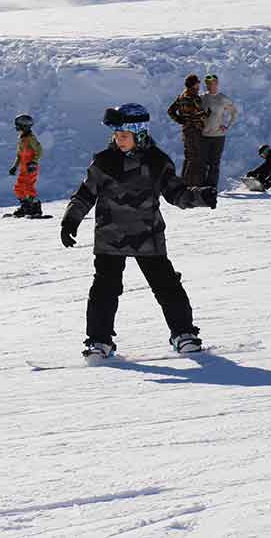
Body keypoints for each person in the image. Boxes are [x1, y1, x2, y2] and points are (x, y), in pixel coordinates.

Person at [60, 103, 217, 359]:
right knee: (104, 289)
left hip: (148, 235)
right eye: (117, 136)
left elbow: (176, 193)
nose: (119, 141)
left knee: (166, 286)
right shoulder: (104, 161)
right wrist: (70, 220)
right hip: (110, 236)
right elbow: (85, 194)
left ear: (139, 134)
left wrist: (200, 197)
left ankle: (184, 334)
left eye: (124, 136)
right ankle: (99, 341)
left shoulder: (157, 161)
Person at [167, 73, 210, 186]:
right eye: (197, 83)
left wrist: (180, 120)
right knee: (196, 158)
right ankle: (193, 184)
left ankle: (184, 182)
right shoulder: (194, 98)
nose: (199, 85)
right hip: (195, 131)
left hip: (186, 130)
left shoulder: (181, 96)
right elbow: (201, 115)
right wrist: (209, 113)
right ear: (193, 85)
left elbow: (170, 111)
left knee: (189, 157)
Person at [200, 73, 238, 188]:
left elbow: (234, 112)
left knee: (214, 163)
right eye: (207, 84)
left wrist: (227, 125)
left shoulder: (223, 99)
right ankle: (202, 187)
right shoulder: (202, 98)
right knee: (203, 163)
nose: (209, 85)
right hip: (203, 135)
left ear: (217, 84)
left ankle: (211, 187)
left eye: (212, 83)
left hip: (218, 136)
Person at [8, 114, 44, 217]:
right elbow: (19, 155)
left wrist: (34, 162)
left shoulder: (31, 139)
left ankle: (35, 207)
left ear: (24, 126)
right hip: (23, 168)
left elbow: (39, 150)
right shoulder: (21, 139)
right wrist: (14, 166)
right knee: (19, 188)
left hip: (31, 167)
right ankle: (26, 207)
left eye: (18, 125)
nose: (17, 127)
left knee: (28, 187)